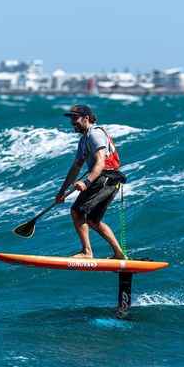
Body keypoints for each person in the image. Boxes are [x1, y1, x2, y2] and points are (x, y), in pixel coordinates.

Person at [56, 104, 127, 259]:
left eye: (75, 118)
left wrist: (86, 182)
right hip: (108, 181)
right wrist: (62, 192)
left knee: (77, 211)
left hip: (105, 178)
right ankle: (119, 254)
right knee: (93, 220)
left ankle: (87, 252)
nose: (72, 122)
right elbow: (75, 168)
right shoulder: (83, 140)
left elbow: (100, 162)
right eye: (71, 118)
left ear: (86, 118)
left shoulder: (94, 134)